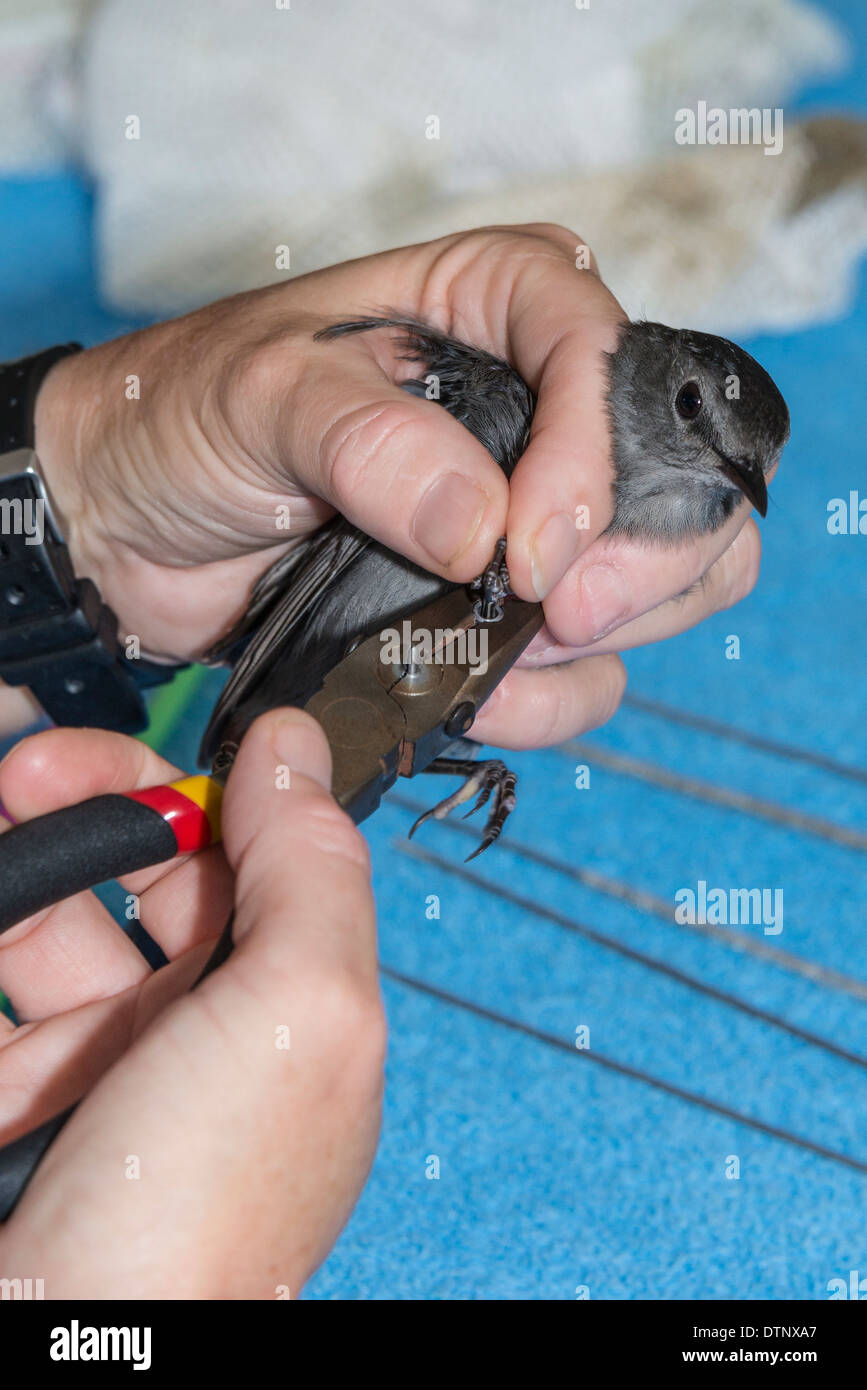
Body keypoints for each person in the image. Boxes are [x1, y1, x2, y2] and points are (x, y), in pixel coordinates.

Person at [0, 226, 764, 1297]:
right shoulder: (511, 409)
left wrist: (76, 512)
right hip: (302, 674)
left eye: (746, 475)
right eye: (701, 422)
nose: (726, 477)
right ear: (651, 376)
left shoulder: (643, 502)